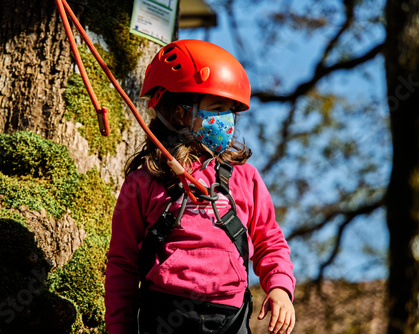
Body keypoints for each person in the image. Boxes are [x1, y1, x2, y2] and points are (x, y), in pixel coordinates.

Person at [105, 39, 296, 334]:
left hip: (230, 318)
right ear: (181, 113)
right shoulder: (143, 182)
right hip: (164, 316)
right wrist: (119, 327)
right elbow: (123, 262)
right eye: (217, 108)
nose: (227, 121)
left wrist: (280, 287)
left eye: (231, 110)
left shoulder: (244, 178)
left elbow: (270, 241)